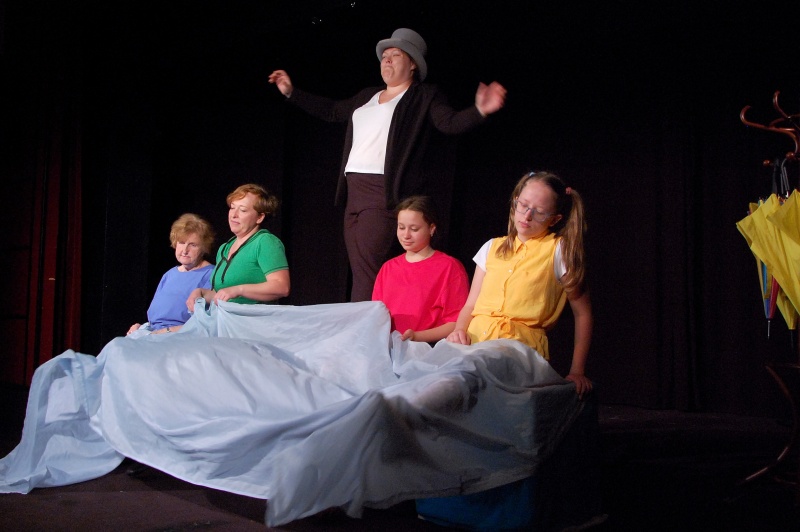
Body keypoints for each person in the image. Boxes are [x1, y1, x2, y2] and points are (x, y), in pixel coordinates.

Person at [268, 28, 507, 302]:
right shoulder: (367, 96)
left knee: (367, 270)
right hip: (353, 192)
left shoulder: (423, 96)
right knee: (362, 270)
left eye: (396, 55)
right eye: (384, 56)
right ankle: (369, 320)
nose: (387, 60)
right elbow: (332, 110)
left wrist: (479, 111)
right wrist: (291, 93)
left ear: (413, 64)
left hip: (381, 191)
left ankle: (363, 324)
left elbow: (449, 123)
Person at [446, 171, 593, 399]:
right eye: (523, 205)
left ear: (554, 219)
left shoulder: (557, 250)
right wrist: (459, 331)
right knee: (441, 384)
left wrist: (577, 371)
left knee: (477, 386)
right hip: (474, 343)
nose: (527, 216)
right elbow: (471, 305)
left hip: (518, 350)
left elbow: (583, 313)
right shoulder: (492, 247)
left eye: (539, 212)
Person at [372, 195, 469, 343]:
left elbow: (456, 323)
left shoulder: (449, 267)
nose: (406, 235)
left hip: (428, 349)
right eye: (401, 227)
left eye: (414, 229)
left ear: (431, 229)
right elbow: (375, 315)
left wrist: (417, 336)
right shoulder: (388, 268)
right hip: (388, 348)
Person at [186, 184, 289, 311]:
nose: (234, 215)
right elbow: (222, 295)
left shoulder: (264, 242)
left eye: (243, 210)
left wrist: (239, 290)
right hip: (226, 319)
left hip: (253, 319)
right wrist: (201, 293)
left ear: (259, 217)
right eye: (232, 208)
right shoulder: (224, 248)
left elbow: (281, 287)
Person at [127, 213, 215, 336]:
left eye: (193, 245)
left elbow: (204, 324)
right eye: (181, 243)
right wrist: (139, 327)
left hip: (180, 337)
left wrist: (165, 332)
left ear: (204, 248)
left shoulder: (210, 274)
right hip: (153, 333)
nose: (185, 250)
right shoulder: (169, 274)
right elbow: (157, 318)